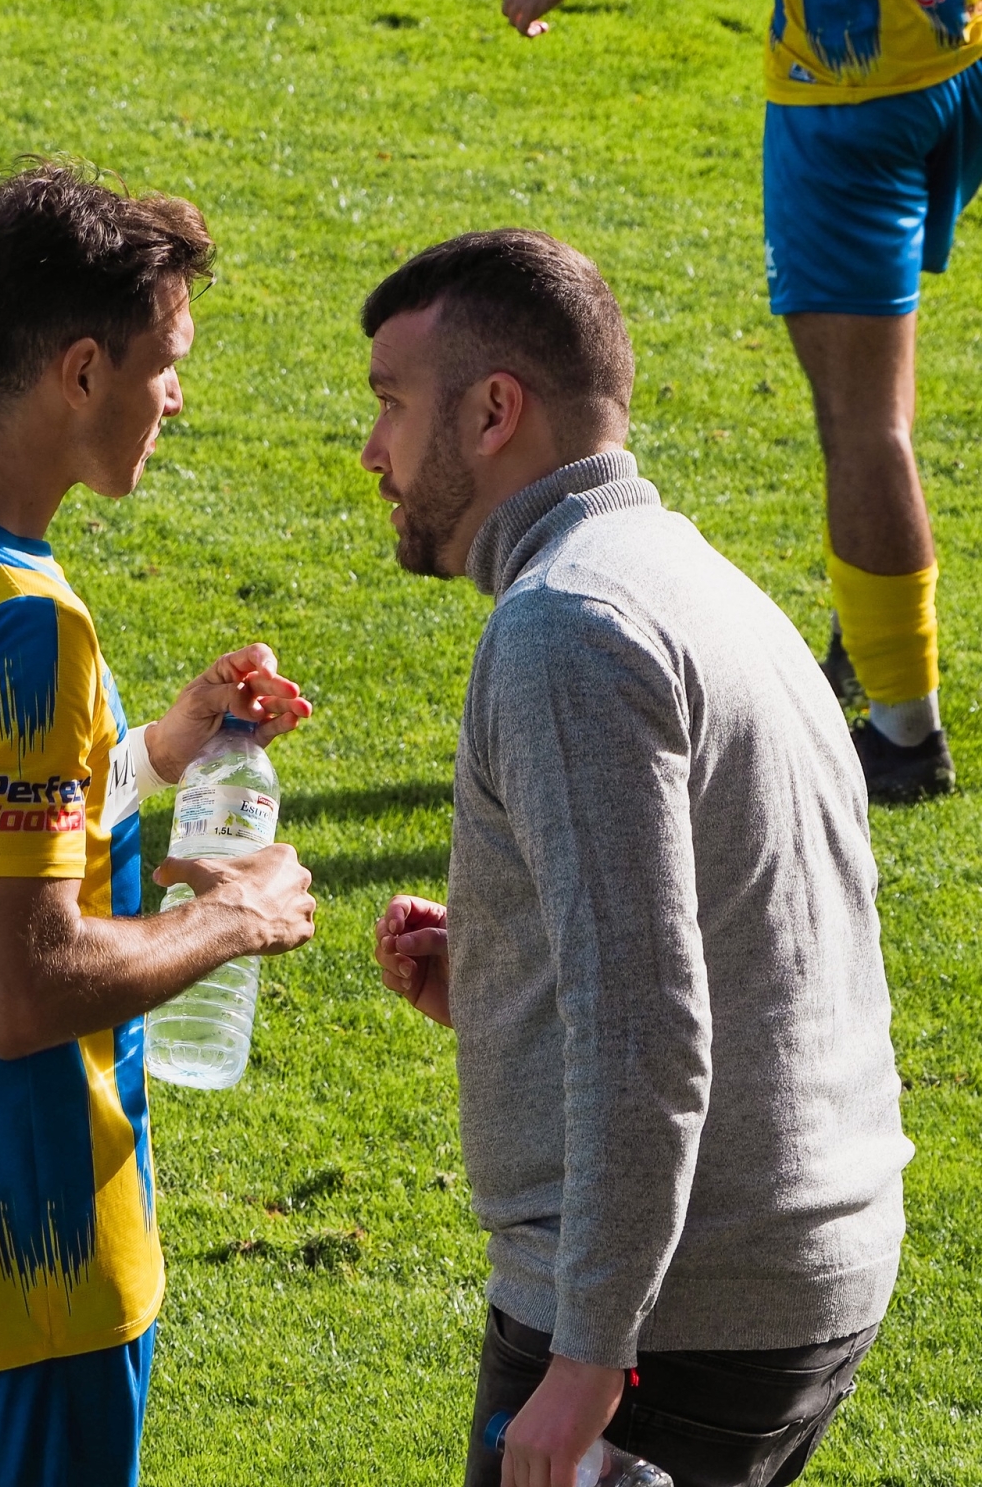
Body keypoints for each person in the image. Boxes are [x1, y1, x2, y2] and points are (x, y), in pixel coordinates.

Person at [0, 161, 317, 1487]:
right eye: (164, 362)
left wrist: (148, 752)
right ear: (80, 370)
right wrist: (228, 917)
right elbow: (22, 994)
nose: (177, 395)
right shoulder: (25, 626)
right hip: (18, 1257)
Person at [361, 229, 912, 1487]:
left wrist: (589, 1357)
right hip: (791, 1262)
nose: (373, 452)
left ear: (495, 409)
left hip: (672, 1317)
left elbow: (642, 1025)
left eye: (392, 405)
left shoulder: (566, 628)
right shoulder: (690, 578)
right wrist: (505, 973)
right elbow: (737, 921)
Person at [498, 0, 982, 801]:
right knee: (875, 383)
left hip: (853, 94)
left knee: (863, 423)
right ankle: (865, 614)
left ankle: (903, 735)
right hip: (959, 45)